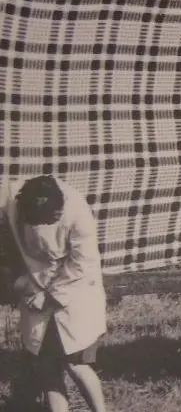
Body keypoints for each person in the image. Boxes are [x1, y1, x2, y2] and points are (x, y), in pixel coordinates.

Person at [0, 175, 108, 411]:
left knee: (75, 364)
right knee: (47, 366)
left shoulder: (78, 213)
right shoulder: (10, 198)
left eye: (54, 218)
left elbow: (83, 266)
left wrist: (49, 297)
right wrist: (18, 279)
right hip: (34, 289)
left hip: (75, 294)